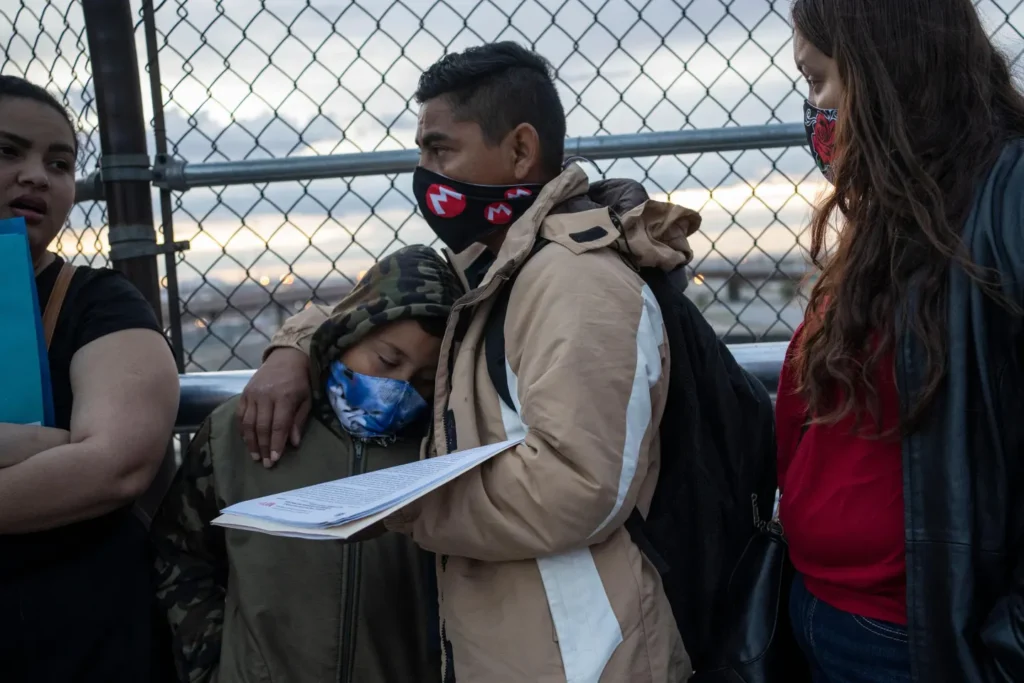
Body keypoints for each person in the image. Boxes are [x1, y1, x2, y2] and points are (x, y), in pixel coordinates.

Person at [248, 42, 698, 682]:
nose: (425, 174)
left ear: (519, 150)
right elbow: (373, 313)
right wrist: (293, 348)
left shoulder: (574, 284)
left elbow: (578, 487)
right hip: (520, 645)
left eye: (441, 150)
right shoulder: (491, 268)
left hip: (584, 657)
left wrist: (400, 505)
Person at [775, 0, 1024, 680]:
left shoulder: (1003, 201)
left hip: (915, 635)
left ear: (884, 72)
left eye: (819, 80)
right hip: (823, 603)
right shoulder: (895, 216)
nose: (814, 111)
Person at [152, 245, 462, 683]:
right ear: (348, 333)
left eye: (425, 379)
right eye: (387, 360)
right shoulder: (242, 430)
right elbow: (180, 553)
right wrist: (213, 663)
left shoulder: (443, 451)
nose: (398, 387)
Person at [0, 75, 180, 681]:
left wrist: (83, 455)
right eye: (7, 152)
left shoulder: (97, 300)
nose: (36, 176)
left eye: (60, 163)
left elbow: (116, 463)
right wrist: (50, 448)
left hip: (76, 642)